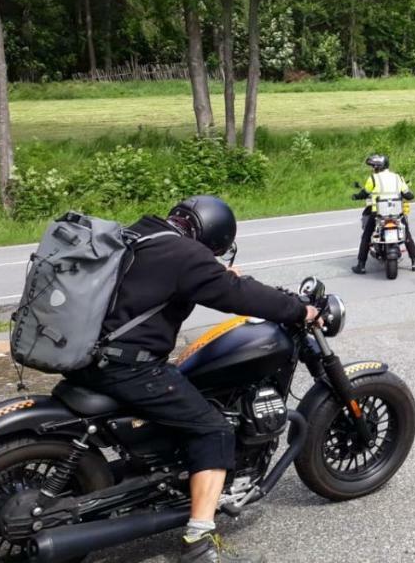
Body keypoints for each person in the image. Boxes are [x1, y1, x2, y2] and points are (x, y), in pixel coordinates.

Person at [65, 196, 319, 563]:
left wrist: (215, 275)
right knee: (213, 430)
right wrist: (299, 309)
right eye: (216, 251)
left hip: (86, 356)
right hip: (127, 367)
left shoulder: (140, 234)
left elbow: (172, 282)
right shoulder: (186, 254)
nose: (215, 257)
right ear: (213, 237)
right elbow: (236, 296)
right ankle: (199, 542)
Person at [351, 153, 415, 274]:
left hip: (378, 213)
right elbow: (407, 194)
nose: (373, 168)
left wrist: (356, 196)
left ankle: (361, 265)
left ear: (379, 167)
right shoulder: (397, 177)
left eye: (374, 166)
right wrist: (410, 196)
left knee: (366, 236)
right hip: (397, 213)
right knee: (407, 235)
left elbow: (365, 192)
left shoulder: (374, 178)